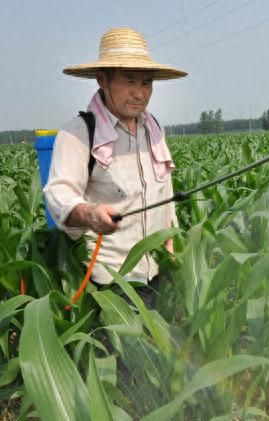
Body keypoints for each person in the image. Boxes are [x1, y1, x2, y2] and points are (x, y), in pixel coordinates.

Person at [43, 28, 187, 296]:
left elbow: (164, 191)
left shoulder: (153, 128)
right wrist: (89, 213)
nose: (139, 93)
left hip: (157, 269)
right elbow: (59, 193)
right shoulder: (79, 133)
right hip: (111, 281)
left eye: (146, 83)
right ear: (102, 79)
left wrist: (169, 242)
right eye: (130, 81)